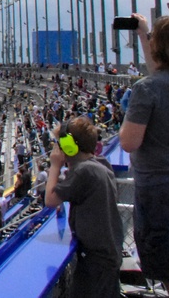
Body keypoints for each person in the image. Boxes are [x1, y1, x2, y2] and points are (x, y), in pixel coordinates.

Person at [120, 14, 169, 297]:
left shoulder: (147, 89)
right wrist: (145, 31)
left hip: (161, 194)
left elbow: (129, 142)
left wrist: (127, 116)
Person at [44, 116, 123, 298]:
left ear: (69, 146)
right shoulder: (99, 163)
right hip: (107, 253)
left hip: (96, 258)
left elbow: (50, 200)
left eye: (60, 144)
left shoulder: (84, 171)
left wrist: (55, 165)